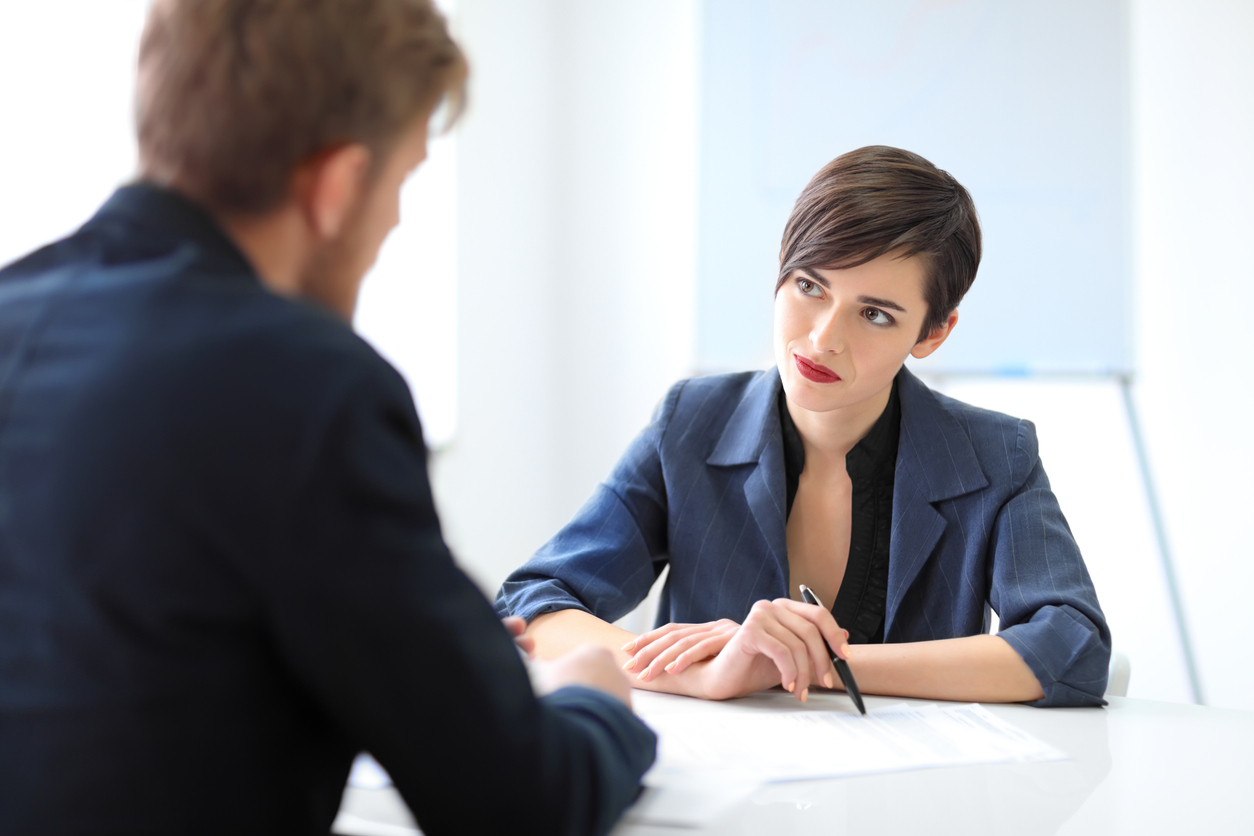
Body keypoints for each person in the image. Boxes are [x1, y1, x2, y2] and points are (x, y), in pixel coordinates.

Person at [0, 1, 655, 834]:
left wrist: (440, 658)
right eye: (402, 182)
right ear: (340, 185)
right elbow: (520, 802)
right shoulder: (305, 389)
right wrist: (593, 699)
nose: (393, 223)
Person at [497, 146, 1111, 709]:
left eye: (874, 314)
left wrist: (820, 664)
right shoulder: (690, 422)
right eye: (810, 285)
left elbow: (1071, 649)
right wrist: (705, 671)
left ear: (932, 332)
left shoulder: (994, 455)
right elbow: (535, 604)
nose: (822, 338)